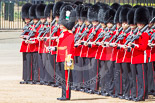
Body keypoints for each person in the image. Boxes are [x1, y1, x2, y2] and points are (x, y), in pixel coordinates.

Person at [50, 5, 76, 101]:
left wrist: (69, 60)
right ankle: (63, 94)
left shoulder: (69, 34)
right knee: (63, 79)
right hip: (60, 57)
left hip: (66, 59)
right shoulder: (62, 34)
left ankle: (67, 95)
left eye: (61, 23)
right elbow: (60, 47)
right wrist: (53, 48)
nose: (59, 24)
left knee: (66, 78)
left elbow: (69, 48)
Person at [20, 3, 32, 84]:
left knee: (30, 63)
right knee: (25, 63)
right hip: (25, 46)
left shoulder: (32, 26)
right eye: (25, 18)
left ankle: (30, 78)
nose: (26, 20)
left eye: (28, 18)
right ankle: (25, 78)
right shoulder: (26, 26)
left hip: (30, 46)